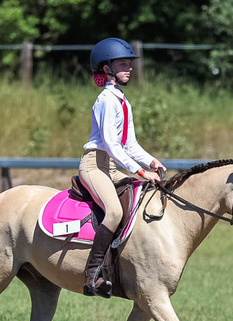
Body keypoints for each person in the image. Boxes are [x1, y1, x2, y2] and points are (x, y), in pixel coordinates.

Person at [80, 37, 167, 298]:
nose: (129, 68)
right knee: (115, 212)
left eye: (129, 64)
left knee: (141, 199)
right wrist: (140, 171)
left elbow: (129, 144)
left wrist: (151, 161)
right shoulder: (106, 100)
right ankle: (93, 273)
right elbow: (110, 144)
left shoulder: (122, 101)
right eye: (122, 64)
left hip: (112, 167)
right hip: (95, 166)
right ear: (107, 69)